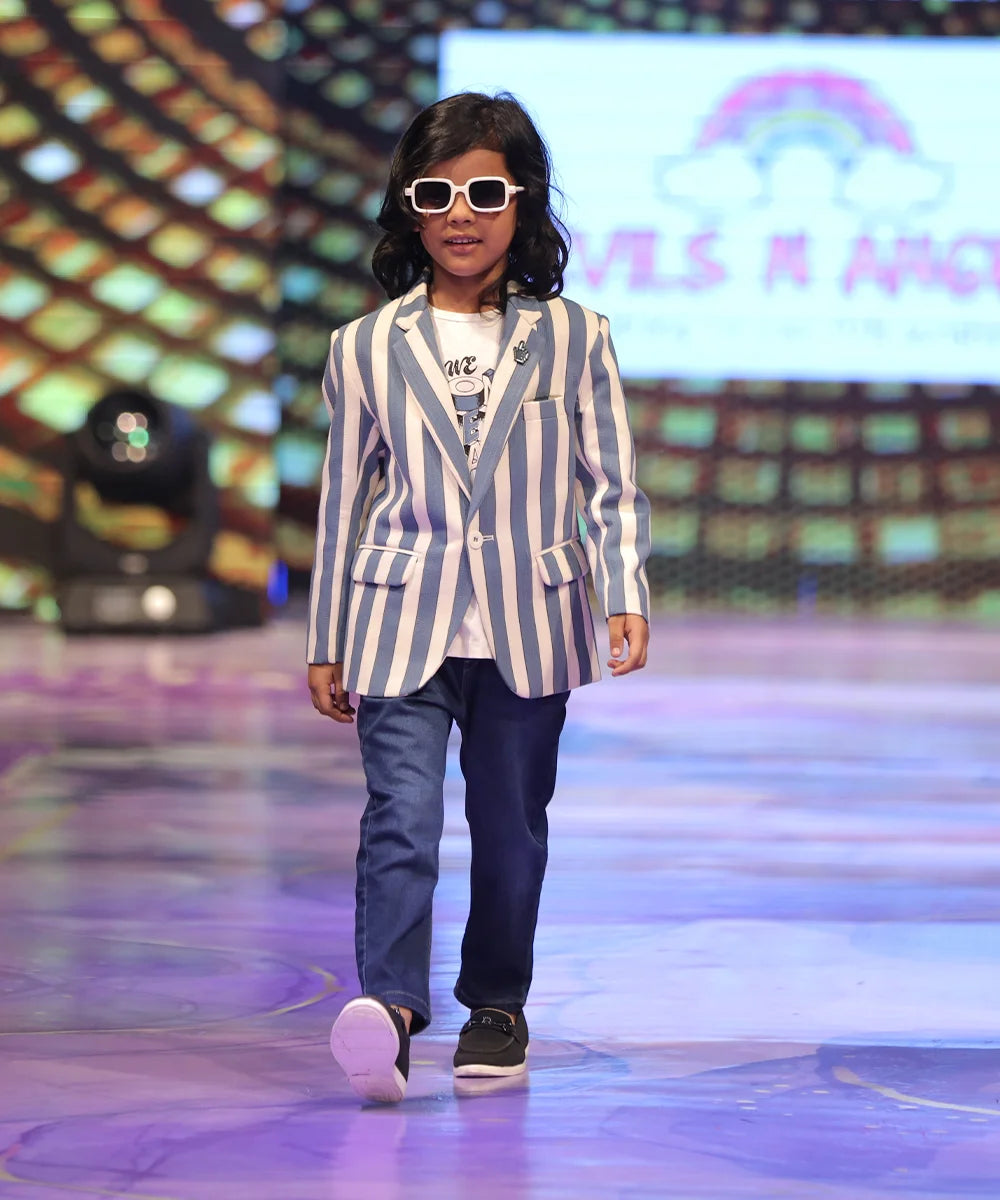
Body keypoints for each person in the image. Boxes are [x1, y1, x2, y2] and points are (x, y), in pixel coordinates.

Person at [306, 91, 651, 1104]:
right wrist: (325, 637)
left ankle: (496, 1007)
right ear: (408, 210)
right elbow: (341, 503)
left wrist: (624, 591)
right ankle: (389, 1010)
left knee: (509, 830)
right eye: (437, 194)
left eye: (485, 193)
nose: (461, 214)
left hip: (529, 622)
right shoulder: (363, 346)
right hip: (394, 618)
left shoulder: (576, 337)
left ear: (522, 202)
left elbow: (612, 484)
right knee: (399, 820)